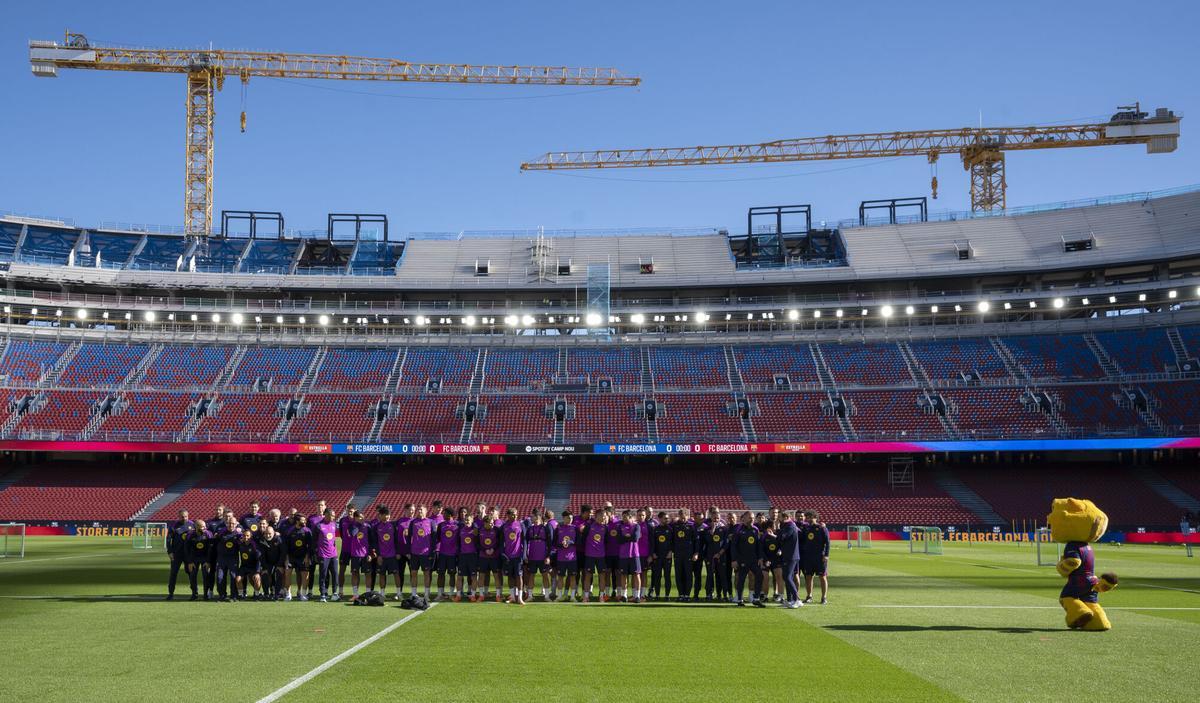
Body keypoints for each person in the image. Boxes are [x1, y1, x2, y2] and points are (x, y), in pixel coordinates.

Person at [730, 511, 765, 607]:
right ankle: (740, 599)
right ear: (744, 518)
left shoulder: (755, 529)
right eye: (750, 517)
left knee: (760, 576)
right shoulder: (738, 530)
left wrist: (760, 558)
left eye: (753, 517)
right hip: (742, 560)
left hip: (753, 560)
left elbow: (759, 545)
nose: (752, 519)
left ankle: (756, 598)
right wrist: (734, 560)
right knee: (741, 579)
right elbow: (733, 546)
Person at [801, 510, 830, 604]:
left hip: (820, 557)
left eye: (809, 517)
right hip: (808, 557)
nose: (808, 519)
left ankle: (824, 597)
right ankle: (809, 596)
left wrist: (826, 555)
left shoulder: (821, 528)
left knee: (822, 577)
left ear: (815, 517)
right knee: (808, 577)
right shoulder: (806, 528)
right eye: (807, 517)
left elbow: (828, 542)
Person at [523, 510, 552, 601]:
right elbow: (526, 542)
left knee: (545, 576)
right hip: (532, 556)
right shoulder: (530, 529)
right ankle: (530, 596)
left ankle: (546, 596)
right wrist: (525, 555)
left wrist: (548, 556)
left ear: (538, 517)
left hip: (543, 557)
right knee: (531, 575)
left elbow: (550, 543)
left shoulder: (545, 528)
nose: (531, 518)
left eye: (533, 517)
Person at [670, 509, 698, 603]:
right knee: (679, 575)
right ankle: (681, 594)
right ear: (679, 515)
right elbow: (671, 540)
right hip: (678, 554)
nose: (683, 517)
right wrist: (671, 550)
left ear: (688, 516)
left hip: (688, 554)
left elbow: (696, 541)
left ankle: (687, 595)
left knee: (688, 575)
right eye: (681, 515)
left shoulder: (692, 526)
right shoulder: (674, 526)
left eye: (685, 515)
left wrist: (696, 553)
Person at [409, 505, 436, 599]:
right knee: (413, 573)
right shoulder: (413, 522)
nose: (419, 511)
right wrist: (409, 551)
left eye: (421, 509)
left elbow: (434, 538)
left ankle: (426, 594)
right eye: (418, 509)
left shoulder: (431, 522)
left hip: (426, 553)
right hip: (414, 553)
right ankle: (413, 594)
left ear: (426, 511)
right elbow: (409, 537)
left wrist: (432, 552)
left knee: (427, 573)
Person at [165, 509, 193, 600]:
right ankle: (171, 593)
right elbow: (169, 539)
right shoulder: (174, 526)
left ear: (188, 516)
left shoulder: (192, 525)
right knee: (173, 573)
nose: (184, 518)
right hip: (176, 554)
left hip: (188, 554)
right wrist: (170, 552)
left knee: (190, 573)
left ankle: (194, 593)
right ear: (178, 516)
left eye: (185, 516)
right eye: (182, 516)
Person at [777, 511, 802, 608]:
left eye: (780, 517)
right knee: (787, 577)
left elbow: (782, 537)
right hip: (789, 555)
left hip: (791, 556)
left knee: (787, 577)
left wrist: (777, 531)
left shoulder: (790, 526)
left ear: (785, 517)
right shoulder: (788, 526)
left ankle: (796, 599)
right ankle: (791, 599)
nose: (778, 519)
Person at [501, 508, 527, 605]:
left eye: (516, 514)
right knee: (510, 577)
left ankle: (520, 598)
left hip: (518, 556)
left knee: (519, 576)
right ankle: (512, 596)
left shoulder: (521, 524)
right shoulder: (504, 526)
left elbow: (524, 541)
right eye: (513, 514)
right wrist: (502, 553)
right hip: (508, 556)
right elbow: (501, 541)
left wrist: (524, 554)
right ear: (508, 515)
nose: (515, 516)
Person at [616, 510, 643, 603]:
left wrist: (626, 537)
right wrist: (628, 537)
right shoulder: (620, 527)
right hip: (623, 555)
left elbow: (635, 538)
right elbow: (619, 539)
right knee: (623, 575)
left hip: (634, 554)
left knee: (636, 574)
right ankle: (624, 595)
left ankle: (637, 596)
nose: (623, 518)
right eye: (622, 516)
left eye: (625, 516)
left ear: (630, 517)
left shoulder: (636, 526)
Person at [284, 512, 312, 601]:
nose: (305, 521)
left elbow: (310, 546)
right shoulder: (289, 531)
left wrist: (307, 557)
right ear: (297, 521)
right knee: (287, 574)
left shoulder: (307, 531)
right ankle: (288, 594)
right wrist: (287, 559)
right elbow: (286, 546)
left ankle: (303, 594)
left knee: (305, 575)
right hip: (291, 557)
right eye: (303, 520)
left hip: (303, 557)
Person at [214, 515, 242, 602]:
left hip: (233, 558)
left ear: (236, 524)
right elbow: (215, 540)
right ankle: (222, 595)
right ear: (227, 523)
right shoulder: (221, 532)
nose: (231, 525)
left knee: (233, 576)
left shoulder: (239, 534)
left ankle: (233, 595)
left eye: (233, 523)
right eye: (230, 523)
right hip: (222, 558)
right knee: (220, 577)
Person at [345, 510, 371, 602]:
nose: (362, 518)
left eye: (363, 516)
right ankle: (355, 594)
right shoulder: (352, 526)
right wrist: (358, 524)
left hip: (365, 554)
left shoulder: (368, 526)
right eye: (360, 517)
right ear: (355, 518)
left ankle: (368, 594)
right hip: (355, 554)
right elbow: (353, 533)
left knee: (368, 574)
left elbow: (371, 540)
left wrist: (370, 553)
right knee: (355, 574)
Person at [314, 508, 339, 602]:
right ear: (326, 515)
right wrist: (316, 552)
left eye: (334, 515)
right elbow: (314, 540)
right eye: (331, 515)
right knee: (323, 574)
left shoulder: (334, 524)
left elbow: (333, 540)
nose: (333, 517)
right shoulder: (319, 526)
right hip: (323, 554)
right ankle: (323, 594)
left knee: (335, 574)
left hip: (333, 554)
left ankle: (335, 593)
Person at [434, 508, 459, 601]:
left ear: (450, 515)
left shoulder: (457, 525)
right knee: (440, 574)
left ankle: (452, 593)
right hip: (442, 554)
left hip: (453, 554)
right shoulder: (441, 525)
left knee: (452, 574)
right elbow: (437, 539)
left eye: (444, 513)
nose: (443, 515)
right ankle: (440, 594)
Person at [554, 509, 579, 602]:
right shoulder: (558, 529)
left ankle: (572, 596)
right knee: (560, 577)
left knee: (572, 577)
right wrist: (561, 544)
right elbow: (554, 543)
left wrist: (570, 542)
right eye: (568, 518)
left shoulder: (575, 528)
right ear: (564, 518)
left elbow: (578, 542)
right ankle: (559, 596)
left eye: (571, 518)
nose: (570, 519)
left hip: (572, 558)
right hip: (561, 558)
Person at [476, 515, 502, 602]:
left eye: (492, 523)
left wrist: (493, 549)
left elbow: (499, 542)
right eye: (490, 524)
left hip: (494, 557)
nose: (491, 525)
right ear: (484, 523)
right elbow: (477, 543)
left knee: (496, 576)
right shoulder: (479, 530)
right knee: (481, 576)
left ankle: (498, 595)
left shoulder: (496, 530)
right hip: (483, 557)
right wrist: (484, 550)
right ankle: (481, 595)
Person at [336, 502, 359, 601]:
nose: (350, 513)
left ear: (355, 512)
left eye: (352, 512)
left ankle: (355, 593)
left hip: (355, 551)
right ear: (346, 511)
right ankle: (341, 591)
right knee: (341, 571)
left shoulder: (357, 521)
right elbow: (341, 534)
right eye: (349, 511)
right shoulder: (342, 521)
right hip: (345, 549)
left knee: (355, 572)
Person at [183, 518, 210, 601]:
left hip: (205, 559)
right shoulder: (190, 535)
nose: (204, 528)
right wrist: (190, 562)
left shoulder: (208, 534)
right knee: (192, 576)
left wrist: (208, 561)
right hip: (194, 559)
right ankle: (194, 594)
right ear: (197, 527)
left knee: (206, 576)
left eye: (204, 526)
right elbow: (187, 549)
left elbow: (211, 549)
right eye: (202, 526)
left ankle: (206, 594)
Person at [456, 509, 479, 602]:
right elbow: (458, 542)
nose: (466, 521)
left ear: (472, 520)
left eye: (468, 520)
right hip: (462, 556)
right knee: (459, 576)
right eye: (465, 520)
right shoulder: (460, 530)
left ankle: (473, 595)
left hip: (472, 556)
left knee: (473, 576)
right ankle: (458, 595)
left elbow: (478, 543)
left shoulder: (475, 531)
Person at [649, 510, 673, 601]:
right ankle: (657, 595)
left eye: (667, 518)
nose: (667, 520)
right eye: (665, 518)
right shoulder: (655, 529)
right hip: (657, 557)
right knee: (657, 576)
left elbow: (672, 542)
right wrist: (653, 553)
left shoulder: (670, 529)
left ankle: (667, 595)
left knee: (667, 576)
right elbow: (652, 543)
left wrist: (671, 551)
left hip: (667, 556)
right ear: (659, 519)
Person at [258, 522, 285, 600]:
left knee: (278, 573)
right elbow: (261, 555)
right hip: (267, 563)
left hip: (278, 562)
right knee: (264, 574)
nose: (268, 535)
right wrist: (265, 567)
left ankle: (277, 594)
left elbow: (283, 553)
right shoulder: (262, 541)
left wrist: (280, 565)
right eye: (266, 534)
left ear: (274, 533)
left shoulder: (279, 540)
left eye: (269, 533)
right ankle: (266, 594)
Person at [236, 528, 263, 600]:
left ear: (251, 536)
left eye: (247, 536)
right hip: (244, 566)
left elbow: (259, 559)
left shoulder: (254, 546)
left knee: (257, 578)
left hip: (254, 567)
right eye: (244, 536)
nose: (246, 537)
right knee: (238, 579)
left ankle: (257, 595)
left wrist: (257, 571)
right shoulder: (240, 544)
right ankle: (241, 595)